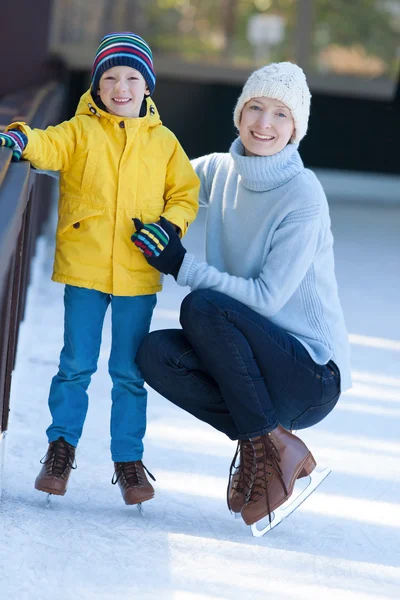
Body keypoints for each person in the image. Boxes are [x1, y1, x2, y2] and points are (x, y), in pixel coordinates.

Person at [132, 62, 351, 528]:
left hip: (309, 375)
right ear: (239, 113)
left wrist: (180, 264)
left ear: (296, 129)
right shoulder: (219, 170)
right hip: (250, 363)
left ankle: (268, 444)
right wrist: (51, 161)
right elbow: (135, 188)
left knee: (202, 305)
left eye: (280, 114)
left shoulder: (303, 196)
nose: (264, 124)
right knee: (154, 353)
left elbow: (267, 298)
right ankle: (269, 445)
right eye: (255, 107)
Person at [0, 32, 199, 506]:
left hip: (136, 272)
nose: (121, 87)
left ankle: (128, 461)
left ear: (147, 87)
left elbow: (185, 194)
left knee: (129, 371)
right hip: (85, 269)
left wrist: (168, 228)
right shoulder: (80, 130)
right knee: (75, 365)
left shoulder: (164, 144)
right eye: (110, 77)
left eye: (133, 78)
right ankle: (60, 449)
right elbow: (47, 145)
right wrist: (20, 138)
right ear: (97, 84)